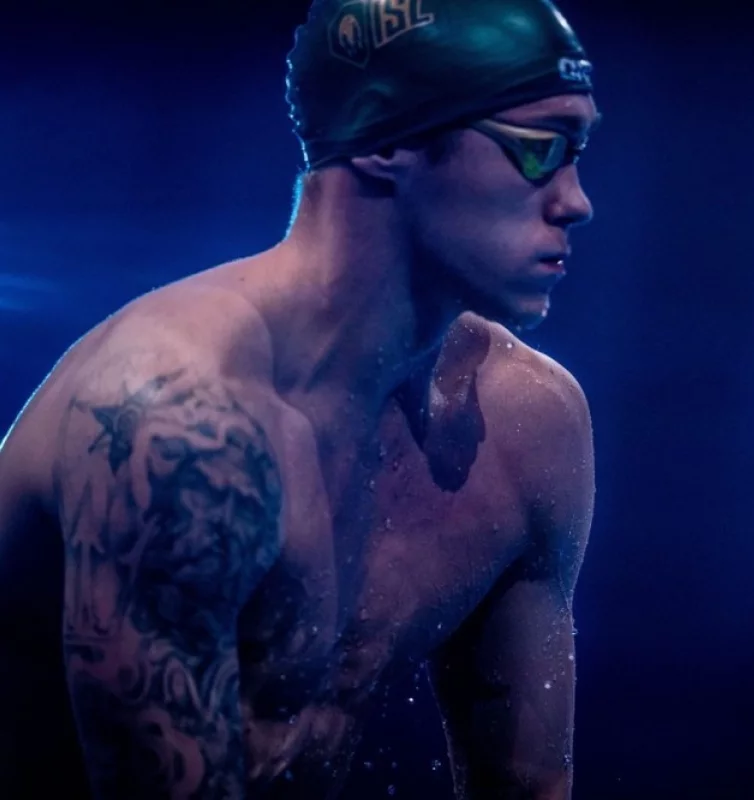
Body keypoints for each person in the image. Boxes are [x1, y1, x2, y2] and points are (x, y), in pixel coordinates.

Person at [0, 0, 601, 796]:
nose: (575, 199)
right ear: (386, 143)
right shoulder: (178, 426)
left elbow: (527, 786)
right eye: (538, 149)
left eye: (578, 151)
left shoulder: (527, 423)